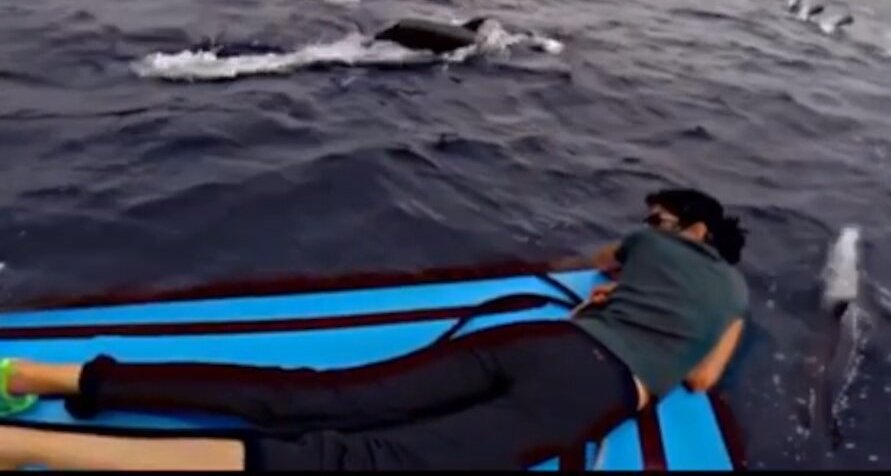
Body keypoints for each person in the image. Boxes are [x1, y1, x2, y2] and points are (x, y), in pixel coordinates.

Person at [0, 189, 749, 471]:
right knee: (366, 460)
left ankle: (40, 376)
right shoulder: (737, 298)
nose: (650, 223)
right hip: (597, 390)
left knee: (318, 395)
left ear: (693, 229)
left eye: (661, 217)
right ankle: (29, 446)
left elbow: (594, 262)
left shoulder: (655, 245)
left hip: (540, 343)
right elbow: (702, 379)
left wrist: (604, 282)